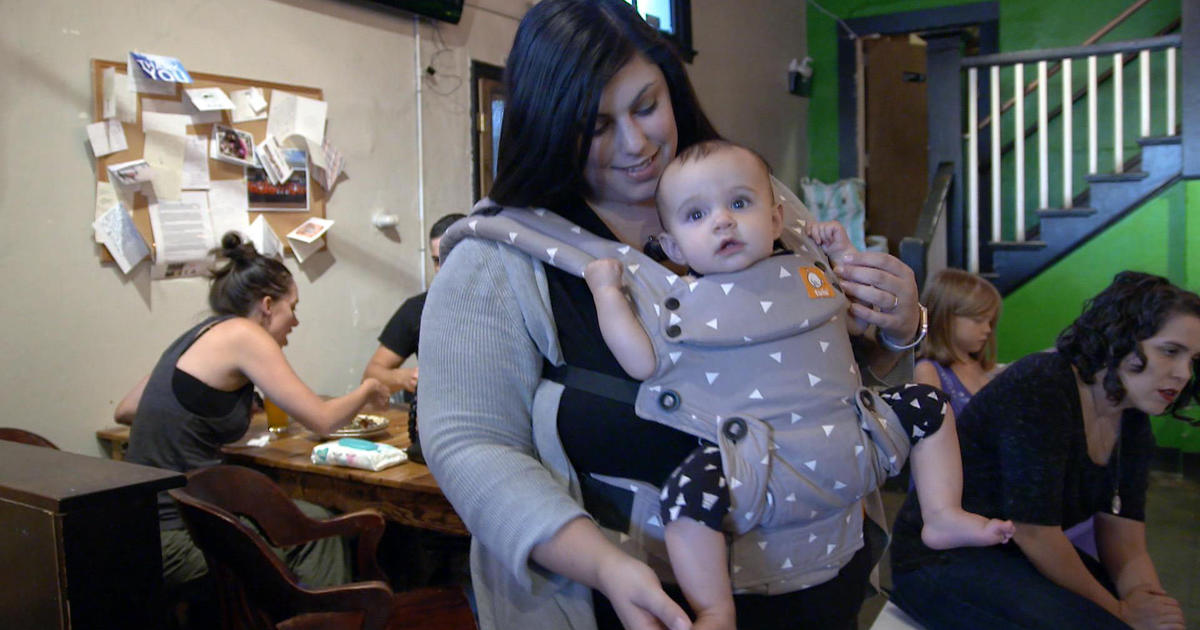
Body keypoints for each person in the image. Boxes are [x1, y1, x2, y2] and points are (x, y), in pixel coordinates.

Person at [418, 1, 926, 628]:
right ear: (546, 125)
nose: (635, 144)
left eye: (645, 105)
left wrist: (900, 329)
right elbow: (468, 443)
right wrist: (604, 564)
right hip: (634, 602)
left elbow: (836, 365)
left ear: (672, 85)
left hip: (824, 579)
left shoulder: (756, 201)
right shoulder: (499, 259)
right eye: (595, 125)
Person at [581, 140, 1011, 629]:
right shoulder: (681, 304)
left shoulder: (808, 273)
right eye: (697, 215)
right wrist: (607, 292)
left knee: (929, 404)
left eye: (739, 203)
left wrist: (843, 252)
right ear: (673, 246)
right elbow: (639, 361)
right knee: (685, 493)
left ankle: (940, 513)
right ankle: (716, 607)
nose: (722, 220)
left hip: (852, 438)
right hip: (753, 463)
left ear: (776, 219)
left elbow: (854, 318)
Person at [889, 271, 1196, 630]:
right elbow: (1034, 531)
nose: (1183, 374)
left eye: (1193, 360)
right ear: (1119, 336)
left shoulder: (1132, 417)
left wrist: (1147, 599)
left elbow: (1125, 538)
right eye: (1170, 351)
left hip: (1015, 553)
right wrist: (1122, 612)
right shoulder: (1043, 383)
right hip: (940, 559)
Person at [115, 232, 390, 610]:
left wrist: (205, 413)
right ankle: (323, 619)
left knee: (309, 516)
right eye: (292, 306)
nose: (295, 320)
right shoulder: (246, 334)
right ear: (266, 306)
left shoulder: (198, 334)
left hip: (137, 526)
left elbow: (127, 409)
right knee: (315, 532)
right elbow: (323, 421)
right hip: (177, 535)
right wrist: (368, 389)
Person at [362, 213, 466, 397]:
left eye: (449, 257)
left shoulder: (504, 305)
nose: (442, 268)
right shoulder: (418, 308)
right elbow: (371, 375)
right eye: (436, 260)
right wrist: (405, 377)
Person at [914, 268, 1003, 417]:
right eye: (978, 320)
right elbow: (930, 426)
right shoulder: (928, 370)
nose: (988, 329)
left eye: (990, 322)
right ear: (945, 318)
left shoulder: (984, 369)